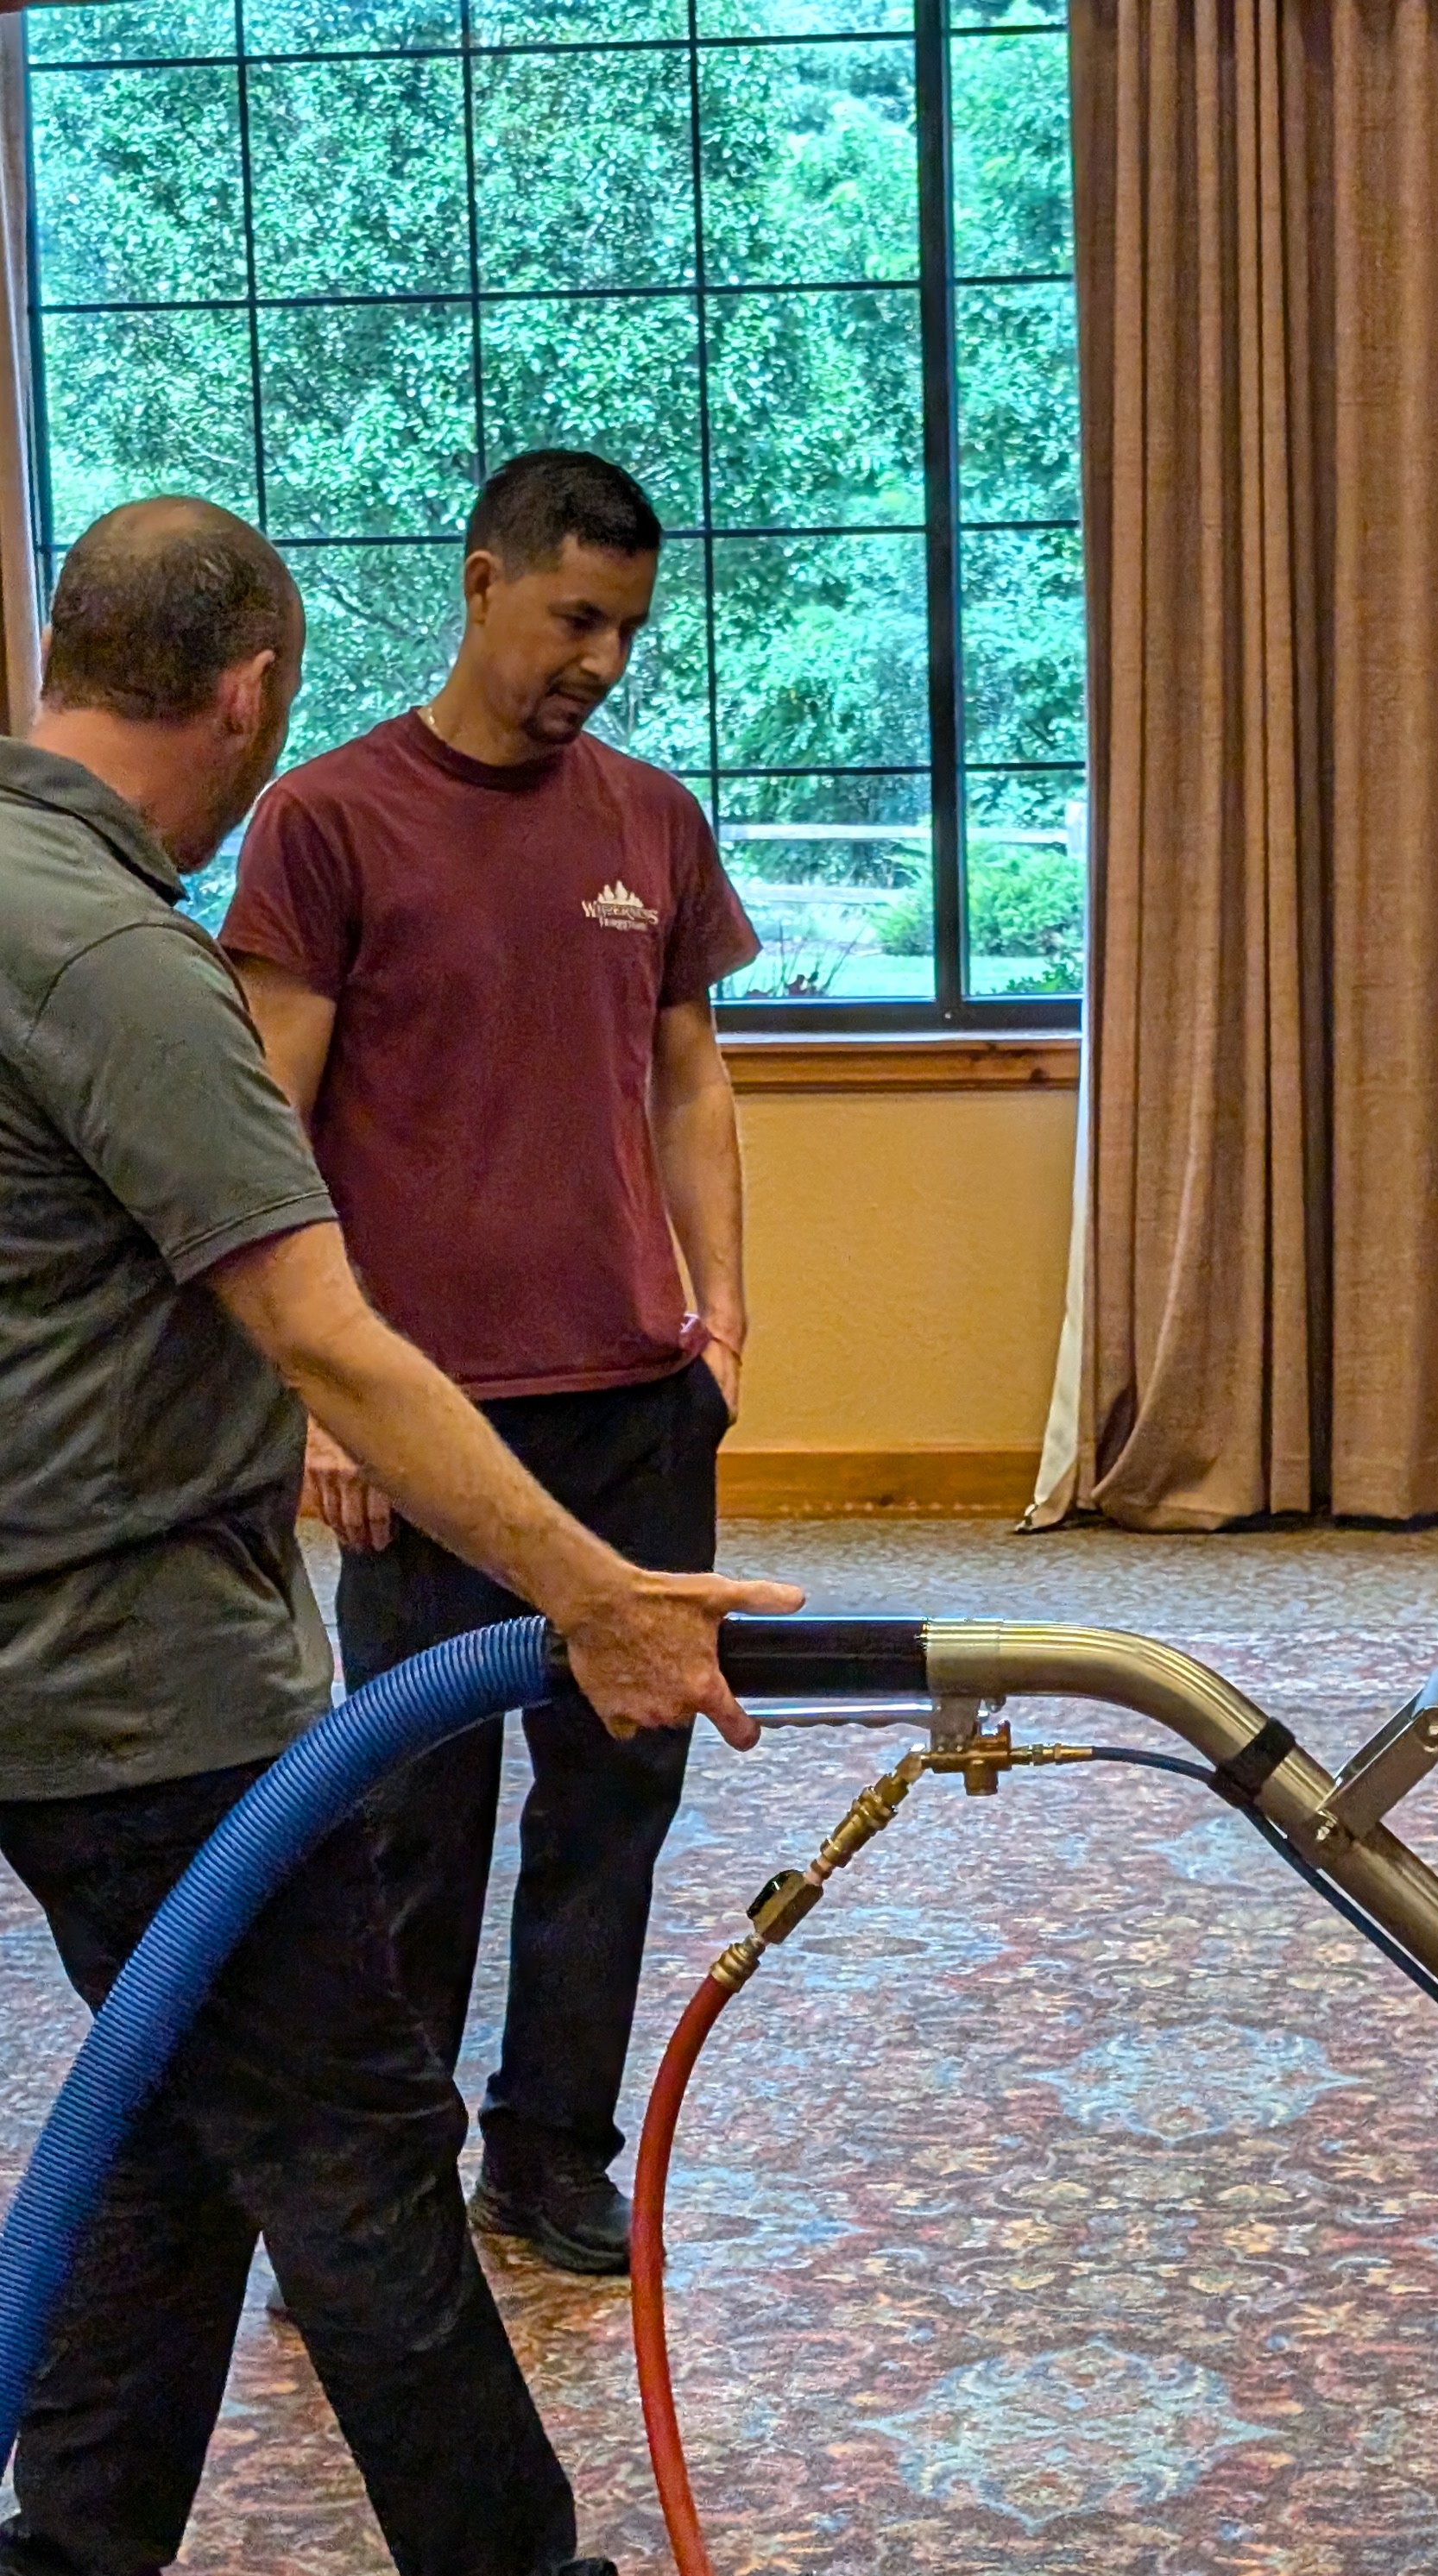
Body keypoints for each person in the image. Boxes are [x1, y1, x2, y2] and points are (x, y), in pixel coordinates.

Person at [0, 496, 830, 2576]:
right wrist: (589, 1588)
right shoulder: (117, 951)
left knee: (167, 2118)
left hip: (58, 1648)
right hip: (135, 1677)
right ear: (250, 689)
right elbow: (328, 1334)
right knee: (352, 2137)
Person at [221, 451, 757, 2279]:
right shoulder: (327, 820)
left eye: (627, 631)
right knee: (412, 1823)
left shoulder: (652, 823)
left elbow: (689, 1078)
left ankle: (547, 2156)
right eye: (574, 618)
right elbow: (266, 1130)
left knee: (616, 1801)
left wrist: (724, 1312)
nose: (599, 661)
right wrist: (316, 1400)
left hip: (631, 1401)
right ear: (482, 583)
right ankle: (385, 2194)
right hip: (424, 1423)